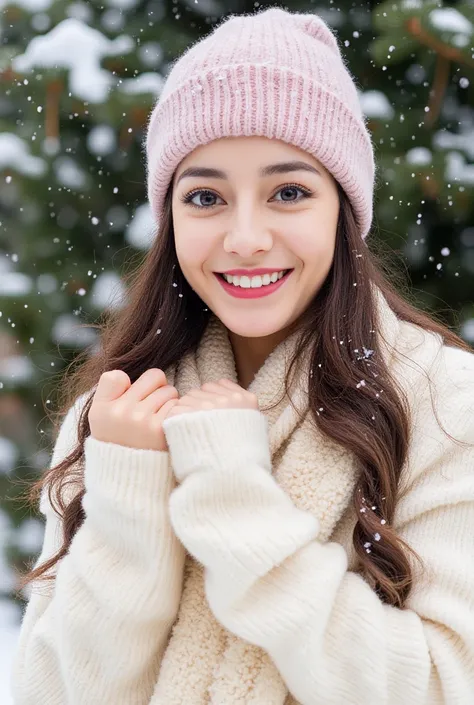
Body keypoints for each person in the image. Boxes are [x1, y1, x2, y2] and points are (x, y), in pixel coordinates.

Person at [11, 7, 474, 705]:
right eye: (206, 197)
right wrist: (131, 500)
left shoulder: (445, 401)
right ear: (171, 218)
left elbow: (444, 686)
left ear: (343, 209)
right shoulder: (116, 417)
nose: (246, 236)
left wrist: (234, 500)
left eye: (289, 191)